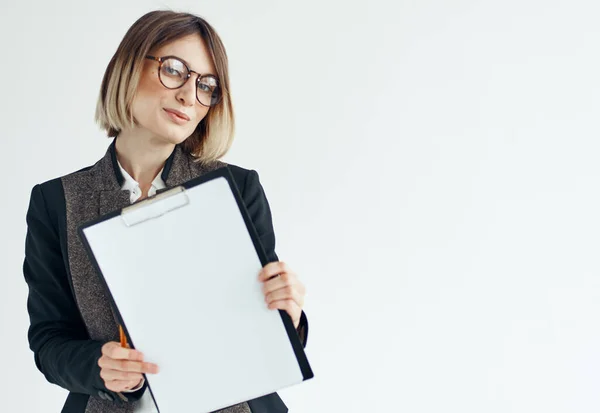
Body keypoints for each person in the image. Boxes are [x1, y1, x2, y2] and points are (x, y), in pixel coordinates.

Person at [22, 10, 308, 413]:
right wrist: (98, 367)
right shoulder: (57, 201)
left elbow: (266, 337)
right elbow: (50, 339)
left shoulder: (237, 189)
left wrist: (288, 316)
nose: (189, 95)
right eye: (174, 70)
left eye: (206, 85)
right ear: (127, 66)